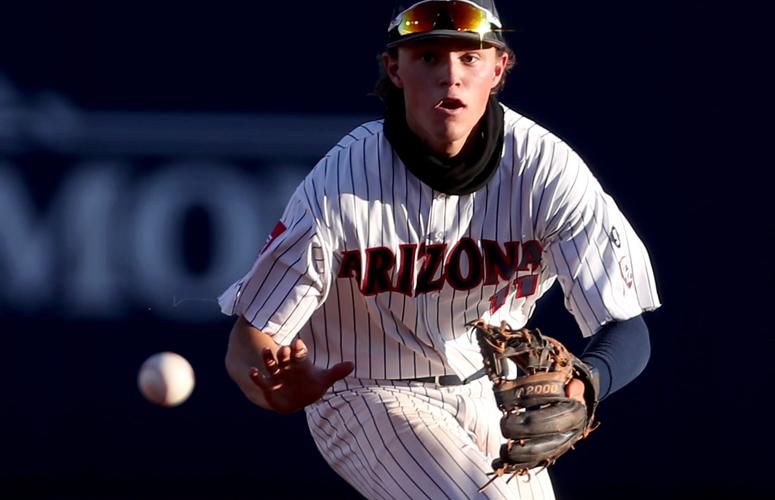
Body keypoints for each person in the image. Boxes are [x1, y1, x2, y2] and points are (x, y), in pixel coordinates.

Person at [220, 0, 661, 498]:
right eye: (428, 56)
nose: (450, 75)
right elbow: (250, 335)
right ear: (395, 69)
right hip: (368, 393)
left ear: (499, 68)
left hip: (489, 392)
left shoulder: (545, 169)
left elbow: (626, 325)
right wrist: (269, 384)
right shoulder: (340, 181)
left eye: (469, 57)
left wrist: (587, 381)